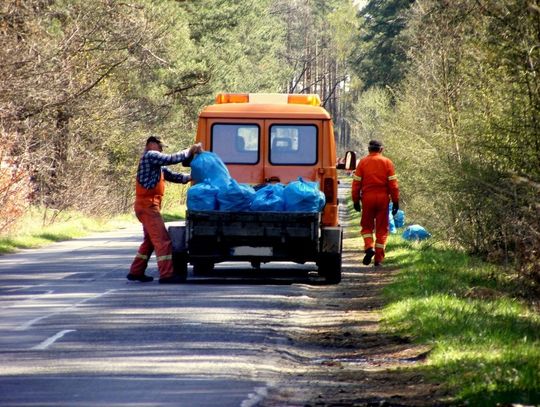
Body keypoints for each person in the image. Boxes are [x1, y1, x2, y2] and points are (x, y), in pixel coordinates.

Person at [127, 136, 203, 284]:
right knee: (163, 241)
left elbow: (173, 176)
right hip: (147, 206)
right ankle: (167, 275)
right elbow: (171, 158)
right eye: (160, 146)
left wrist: (191, 177)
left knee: (150, 241)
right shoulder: (150, 155)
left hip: (147, 206)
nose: (161, 150)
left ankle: (136, 272)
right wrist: (190, 150)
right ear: (152, 144)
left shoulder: (157, 166)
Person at [351, 139, 399, 267]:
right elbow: (393, 185)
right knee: (382, 230)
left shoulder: (363, 163)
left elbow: (356, 184)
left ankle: (368, 247)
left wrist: (355, 200)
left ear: (369, 149)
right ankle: (378, 260)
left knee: (366, 227)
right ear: (381, 149)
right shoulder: (387, 162)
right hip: (383, 199)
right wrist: (395, 201)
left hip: (367, 199)